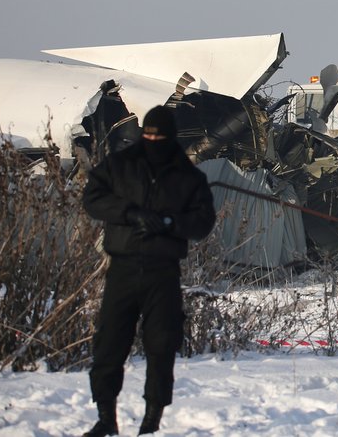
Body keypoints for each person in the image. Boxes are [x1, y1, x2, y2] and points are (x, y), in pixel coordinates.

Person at [82, 106, 216, 436]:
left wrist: (172, 224)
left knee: (162, 344)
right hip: (123, 267)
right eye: (148, 134)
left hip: (163, 271)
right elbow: (93, 199)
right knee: (110, 343)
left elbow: (203, 223)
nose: (153, 140)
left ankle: (151, 419)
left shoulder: (188, 177)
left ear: (170, 137)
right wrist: (130, 213)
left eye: (159, 135)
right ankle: (105, 417)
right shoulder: (119, 165)